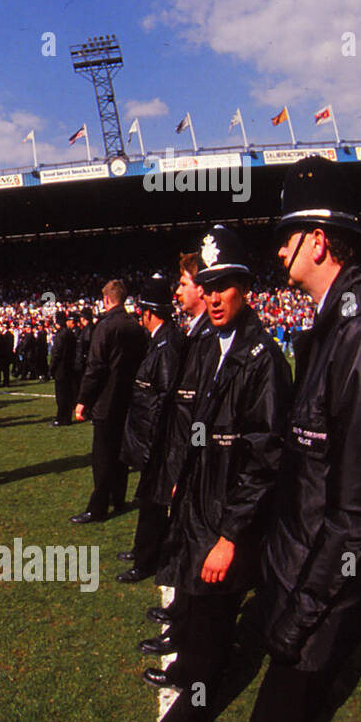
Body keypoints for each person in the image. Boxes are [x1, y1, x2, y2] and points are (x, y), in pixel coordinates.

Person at [247, 157, 361, 722]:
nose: (279, 251)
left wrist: (304, 612)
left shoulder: (359, 334)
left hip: (320, 601)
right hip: (304, 581)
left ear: (317, 241)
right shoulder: (335, 326)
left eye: (288, 236)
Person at [146, 225, 291, 722]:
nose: (212, 297)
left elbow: (264, 460)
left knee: (212, 627)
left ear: (245, 287)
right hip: (198, 506)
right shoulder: (209, 346)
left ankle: (193, 706)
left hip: (227, 518)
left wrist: (231, 537)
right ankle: (187, 671)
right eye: (206, 285)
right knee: (192, 604)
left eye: (223, 285)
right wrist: (180, 483)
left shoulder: (264, 360)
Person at [141, 252, 217, 641]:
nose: (178, 290)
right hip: (183, 452)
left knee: (192, 540)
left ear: (202, 289)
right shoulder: (197, 333)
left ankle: (187, 627)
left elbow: (200, 414)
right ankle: (181, 614)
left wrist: (184, 467)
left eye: (184, 283)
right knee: (184, 538)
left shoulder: (208, 338)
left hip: (193, 459)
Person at [115, 273, 184, 583]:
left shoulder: (167, 344)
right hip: (152, 437)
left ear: (148, 312)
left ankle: (145, 561)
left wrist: (152, 443)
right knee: (147, 498)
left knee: (153, 502)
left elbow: (164, 397)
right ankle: (141, 549)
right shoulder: (162, 340)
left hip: (157, 440)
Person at [70, 280, 147, 524]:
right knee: (121, 453)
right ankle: (118, 497)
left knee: (102, 456)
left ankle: (98, 507)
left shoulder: (104, 327)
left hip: (106, 400)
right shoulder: (136, 326)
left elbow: (96, 367)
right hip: (130, 398)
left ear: (106, 300)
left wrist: (83, 399)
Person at [49, 311, 78, 426]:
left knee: (61, 396)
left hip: (61, 369)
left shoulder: (61, 335)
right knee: (68, 394)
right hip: (69, 367)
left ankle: (61, 418)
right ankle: (66, 417)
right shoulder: (70, 333)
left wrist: (51, 368)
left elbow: (56, 353)